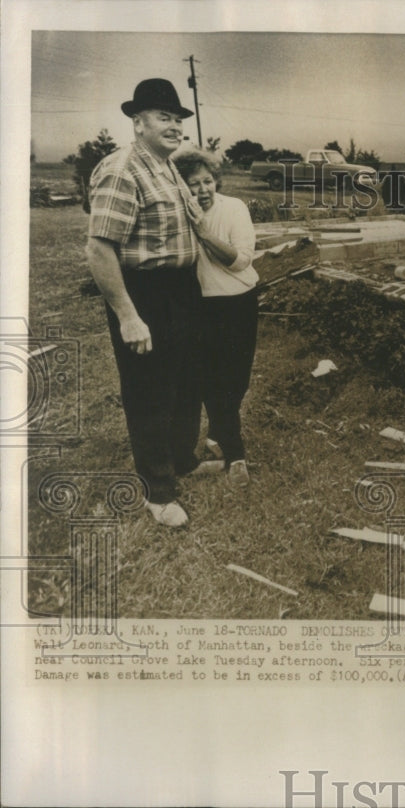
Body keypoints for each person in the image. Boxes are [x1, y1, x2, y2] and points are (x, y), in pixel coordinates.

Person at [86, 78, 220, 528]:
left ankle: (182, 460)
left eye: (179, 119)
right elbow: (99, 248)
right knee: (150, 390)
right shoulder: (122, 169)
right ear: (137, 121)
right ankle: (158, 490)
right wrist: (127, 315)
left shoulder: (166, 166)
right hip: (144, 292)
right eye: (165, 117)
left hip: (181, 287)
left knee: (186, 380)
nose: (176, 126)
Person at [173, 149, 259, 486]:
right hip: (202, 306)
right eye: (194, 185)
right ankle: (236, 454)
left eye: (208, 181)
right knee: (213, 381)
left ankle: (217, 434)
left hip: (240, 301)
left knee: (238, 381)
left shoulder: (234, 208)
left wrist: (204, 233)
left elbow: (240, 261)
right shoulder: (177, 217)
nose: (203, 189)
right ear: (182, 189)